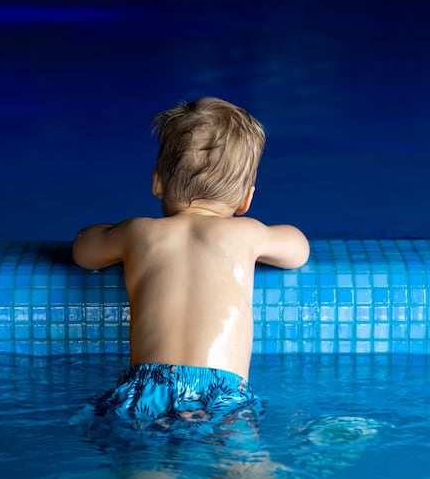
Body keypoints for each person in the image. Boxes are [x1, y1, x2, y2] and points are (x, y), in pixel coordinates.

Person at [73, 96, 309, 432]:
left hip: (146, 386)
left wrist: (110, 231)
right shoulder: (247, 233)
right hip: (221, 392)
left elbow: (84, 251)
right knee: (244, 465)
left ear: (157, 182)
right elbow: (298, 250)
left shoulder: (139, 232)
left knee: (146, 467)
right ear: (246, 199)